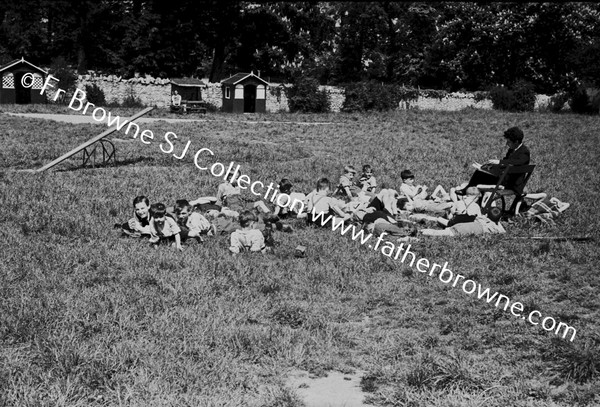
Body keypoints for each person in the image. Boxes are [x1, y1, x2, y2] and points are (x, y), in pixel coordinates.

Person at [460, 126, 531, 195]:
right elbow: (506, 162)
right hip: (504, 179)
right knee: (480, 172)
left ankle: (468, 191)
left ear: (516, 142)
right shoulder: (512, 150)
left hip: (511, 184)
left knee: (480, 175)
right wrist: (490, 167)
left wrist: (500, 162)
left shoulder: (524, 151)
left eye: (509, 142)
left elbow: (518, 162)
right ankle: (471, 191)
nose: (506, 144)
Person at [420, 207, 506, 237]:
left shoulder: (482, 219)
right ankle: (424, 232)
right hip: (466, 230)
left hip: (464, 226)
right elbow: (503, 231)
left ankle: (424, 230)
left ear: (487, 215)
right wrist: (498, 223)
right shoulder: (494, 228)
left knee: (444, 231)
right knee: (441, 233)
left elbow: (477, 217)